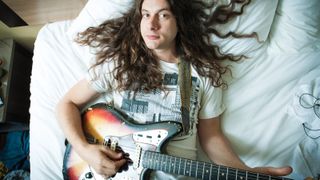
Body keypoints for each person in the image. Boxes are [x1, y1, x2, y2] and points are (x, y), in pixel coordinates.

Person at [56, 0, 293, 179]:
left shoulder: (202, 73)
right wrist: (85, 150)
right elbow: (67, 105)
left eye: (163, 15)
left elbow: (211, 138)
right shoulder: (120, 63)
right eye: (146, 15)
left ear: (180, 21)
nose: (151, 24)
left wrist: (246, 173)